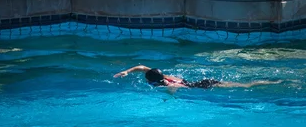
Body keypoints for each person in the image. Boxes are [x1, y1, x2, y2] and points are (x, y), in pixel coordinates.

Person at [114, 65, 282, 89]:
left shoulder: (165, 84)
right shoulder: (163, 75)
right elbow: (143, 68)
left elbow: (174, 90)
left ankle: (272, 82)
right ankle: (271, 80)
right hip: (201, 81)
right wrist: (127, 72)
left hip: (202, 86)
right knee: (240, 83)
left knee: (244, 86)